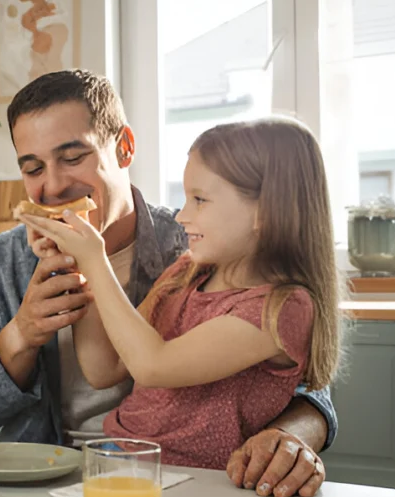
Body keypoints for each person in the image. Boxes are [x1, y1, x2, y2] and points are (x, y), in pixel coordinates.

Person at [0, 70, 337, 497]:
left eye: (73, 158)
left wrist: (293, 435)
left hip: (190, 481)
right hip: (45, 476)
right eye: (34, 168)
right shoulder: (3, 262)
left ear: (125, 147)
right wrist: (20, 335)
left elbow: (305, 382)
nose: (52, 186)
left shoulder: (197, 248)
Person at [20, 117, 343, 471]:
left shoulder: (280, 310)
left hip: (197, 481)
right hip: (119, 461)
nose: (182, 215)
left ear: (265, 211)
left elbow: (152, 365)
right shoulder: (187, 273)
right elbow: (104, 367)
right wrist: (74, 264)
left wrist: (94, 259)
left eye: (200, 200)